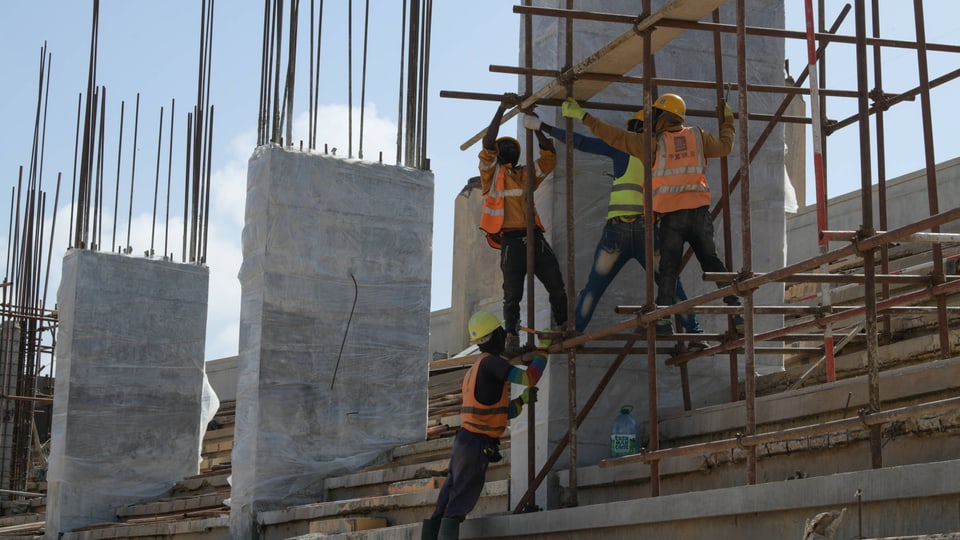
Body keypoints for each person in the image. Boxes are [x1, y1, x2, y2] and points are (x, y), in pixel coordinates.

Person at [561, 93, 744, 334]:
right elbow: (726, 146)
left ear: (661, 116)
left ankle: (665, 320)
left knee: (668, 269)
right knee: (712, 262)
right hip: (699, 215)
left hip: (671, 218)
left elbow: (614, 137)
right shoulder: (698, 137)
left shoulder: (653, 143)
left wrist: (583, 115)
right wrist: (728, 120)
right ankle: (737, 312)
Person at [522, 110, 706, 348]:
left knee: (594, 287)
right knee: (671, 284)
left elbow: (581, 142)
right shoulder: (663, 156)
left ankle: (575, 332)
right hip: (648, 233)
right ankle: (695, 334)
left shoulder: (624, 149)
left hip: (617, 233)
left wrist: (541, 126)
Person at [421, 310, 551, 540]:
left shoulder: (476, 368)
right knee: (458, 503)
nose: (504, 336)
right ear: (494, 336)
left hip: (465, 442)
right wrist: (544, 350)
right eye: (501, 332)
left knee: (448, 499)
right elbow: (529, 378)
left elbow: (498, 414)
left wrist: (521, 401)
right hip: (474, 445)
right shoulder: (492, 363)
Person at [479, 93, 567, 355]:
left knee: (556, 284)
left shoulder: (527, 174)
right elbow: (487, 143)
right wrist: (502, 109)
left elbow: (549, 157)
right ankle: (512, 338)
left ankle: (562, 326)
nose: (506, 150)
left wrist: (535, 125)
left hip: (534, 239)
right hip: (511, 241)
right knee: (512, 296)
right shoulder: (492, 175)